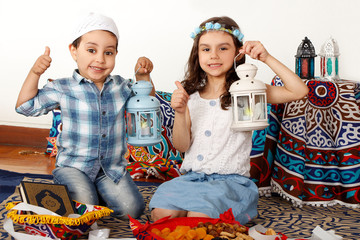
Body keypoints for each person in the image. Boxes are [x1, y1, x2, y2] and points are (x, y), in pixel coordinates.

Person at [149, 16, 309, 224]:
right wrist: (180, 112)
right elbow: (181, 145)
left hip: (230, 183)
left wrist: (266, 57)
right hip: (191, 179)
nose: (213, 56)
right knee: (161, 215)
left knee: (198, 219)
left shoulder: (248, 89)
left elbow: (299, 91)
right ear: (197, 55)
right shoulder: (190, 95)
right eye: (206, 49)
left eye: (223, 48)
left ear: (238, 52)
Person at [15, 13, 154, 219]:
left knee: (132, 210)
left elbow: (147, 106)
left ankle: (95, 194)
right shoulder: (62, 87)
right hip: (74, 167)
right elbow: (25, 107)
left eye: (108, 52)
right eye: (91, 50)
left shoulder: (121, 86)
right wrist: (35, 73)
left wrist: (143, 76)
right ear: (74, 51)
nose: (99, 59)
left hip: (110, 169)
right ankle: (80, 193)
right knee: (83, 207)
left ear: (116, 54)